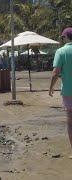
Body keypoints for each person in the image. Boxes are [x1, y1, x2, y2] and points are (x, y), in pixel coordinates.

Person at [49, 27, 72, 159]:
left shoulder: (61, 51)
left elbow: (55, 72)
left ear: (65, 37)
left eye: (62, 38)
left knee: (70, 123)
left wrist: (51, 87)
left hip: (68, 91)